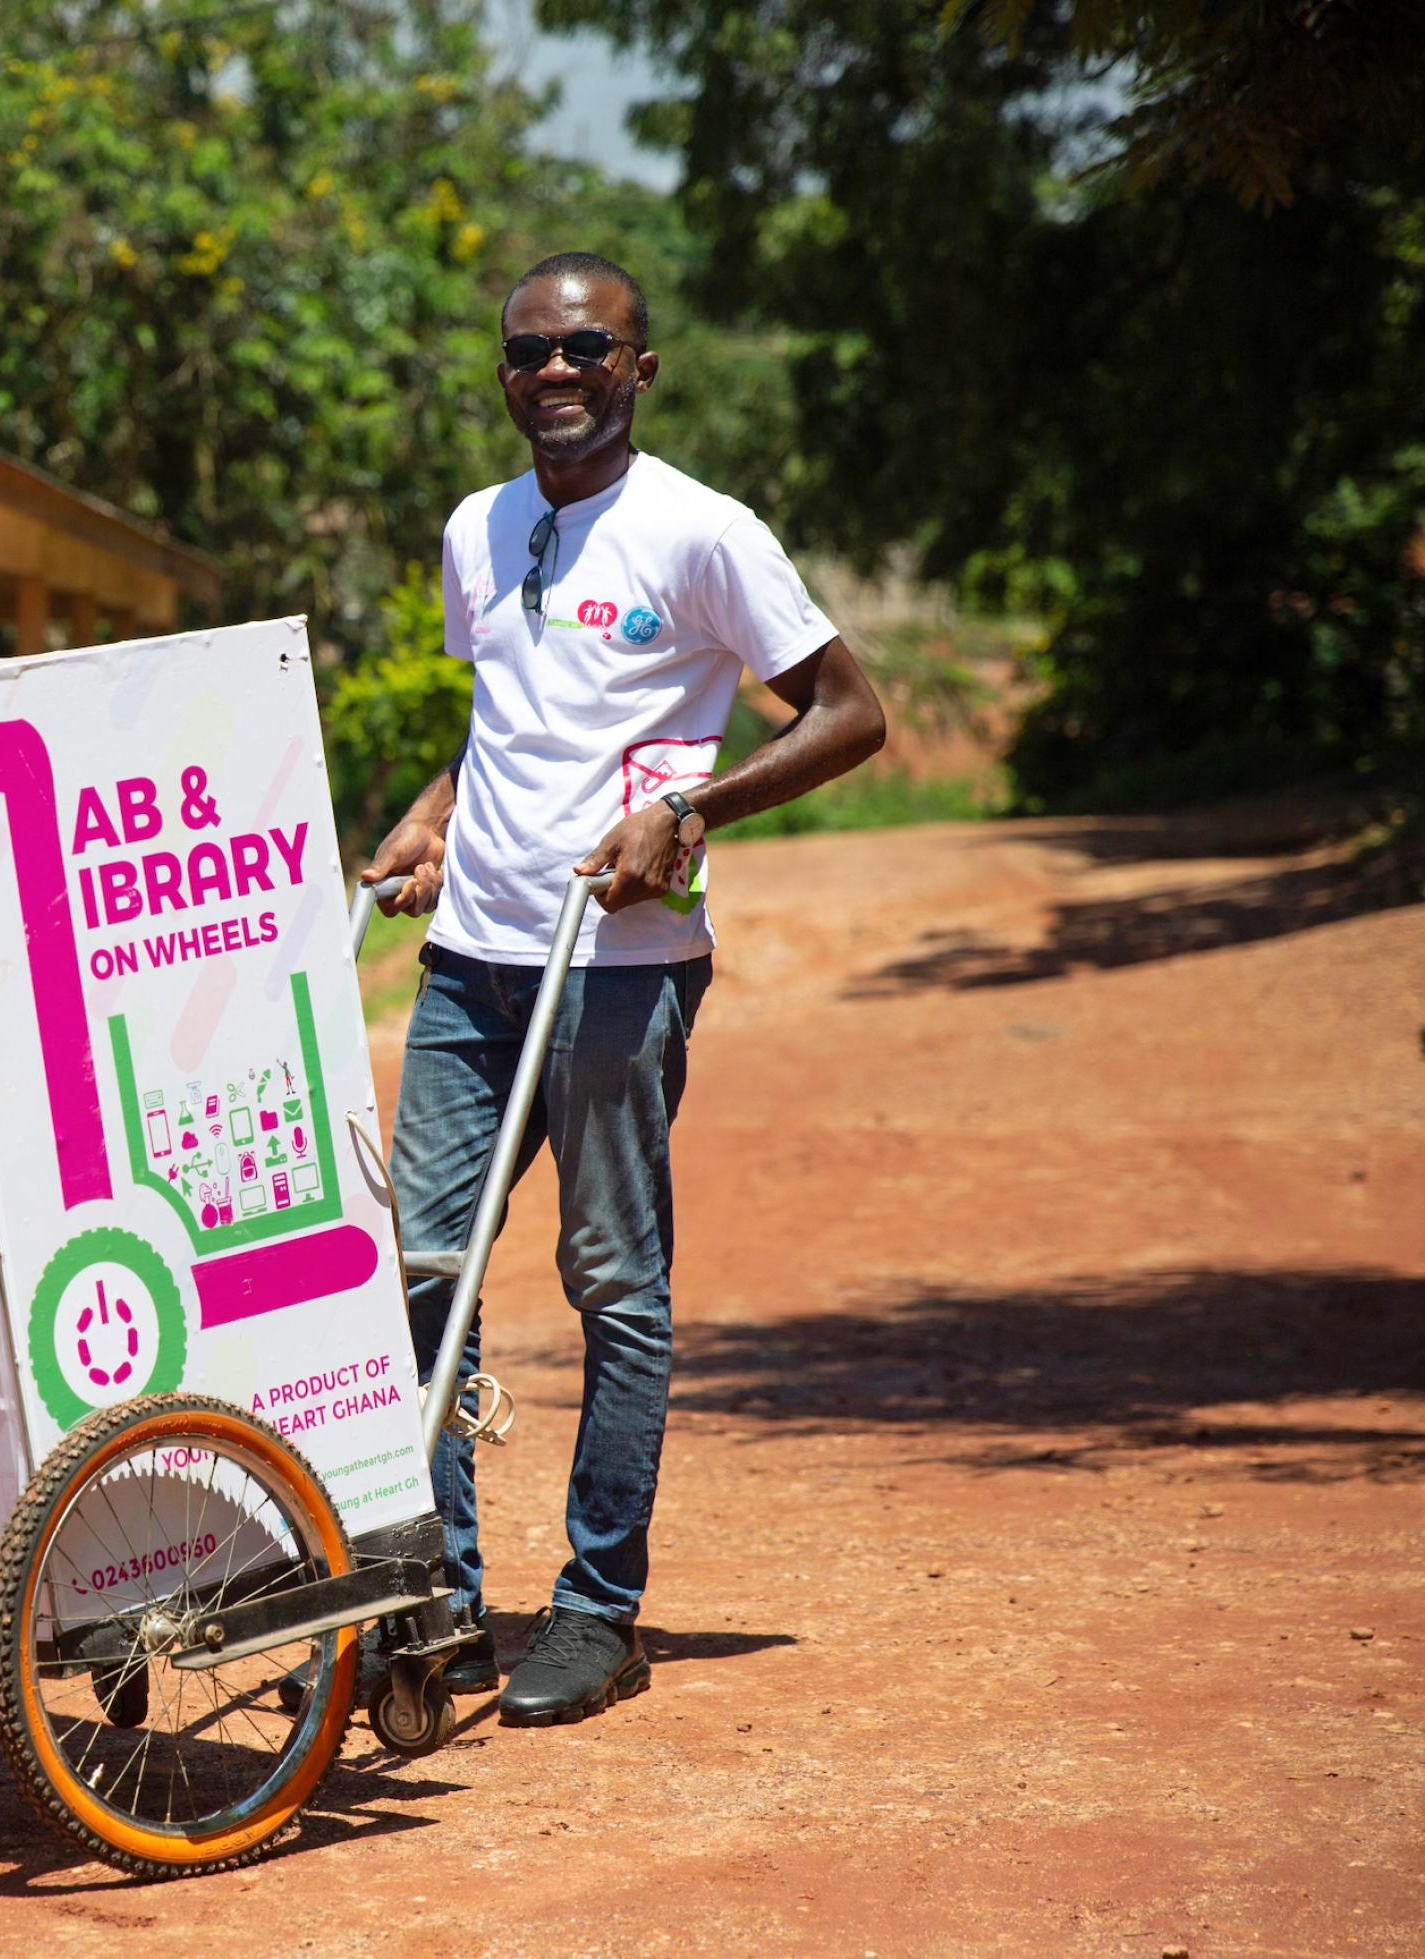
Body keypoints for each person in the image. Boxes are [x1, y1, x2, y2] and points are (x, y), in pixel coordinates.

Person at [363, 251, 886, 1726]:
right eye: (528, 352)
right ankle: (440, 1599)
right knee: (419, 1277)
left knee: (612, 1287)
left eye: (586, 348)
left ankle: (598, 1610)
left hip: (621, 967)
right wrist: (435, 811)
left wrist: (698, 812)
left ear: (639, 367)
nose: (554, 373)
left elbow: (853, 713)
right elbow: (508, 724)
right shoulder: (481, 528)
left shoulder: (703, 535)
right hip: (472, 963)